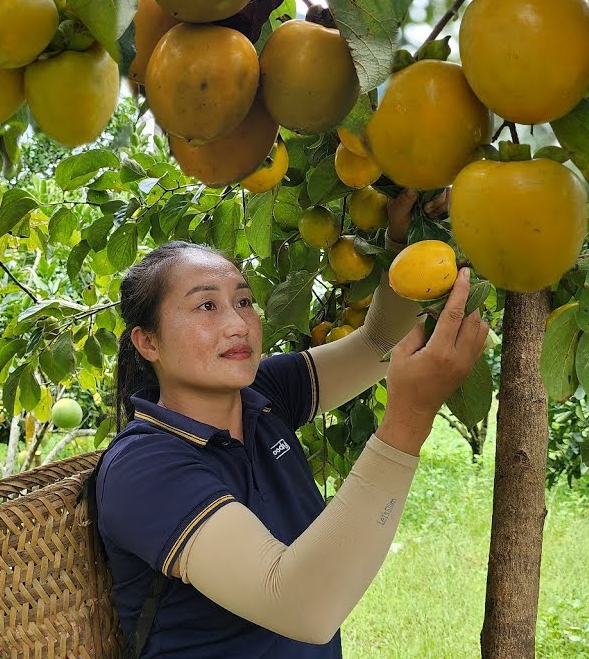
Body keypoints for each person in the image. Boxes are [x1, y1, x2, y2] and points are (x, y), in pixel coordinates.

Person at [95, 189, 490, 658]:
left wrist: (404, 241)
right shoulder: (144, 467)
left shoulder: (262, 394)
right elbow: (303, 606)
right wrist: (410, 419)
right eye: (206, 307)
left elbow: (379, 342)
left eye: (243, 301)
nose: (239, 324)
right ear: (148, 343)